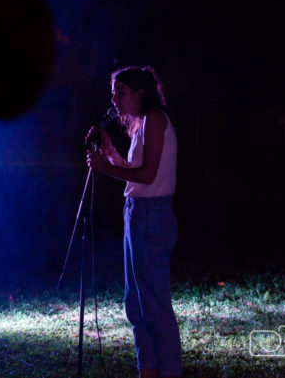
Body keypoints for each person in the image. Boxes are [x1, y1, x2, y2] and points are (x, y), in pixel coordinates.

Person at [86, 65, 182, 378]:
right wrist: (110, 152)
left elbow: (147, 175)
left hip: (152, 214)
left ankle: (168, 371)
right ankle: (148, 371)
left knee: (154, 304)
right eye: (113, 92)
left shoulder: (155, 120)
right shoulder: (140, 124)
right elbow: (133, 171)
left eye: (121, 92)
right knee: (137, 304)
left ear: (140, 92)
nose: (114, 98)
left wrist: (105, 168)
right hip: (136, 212)